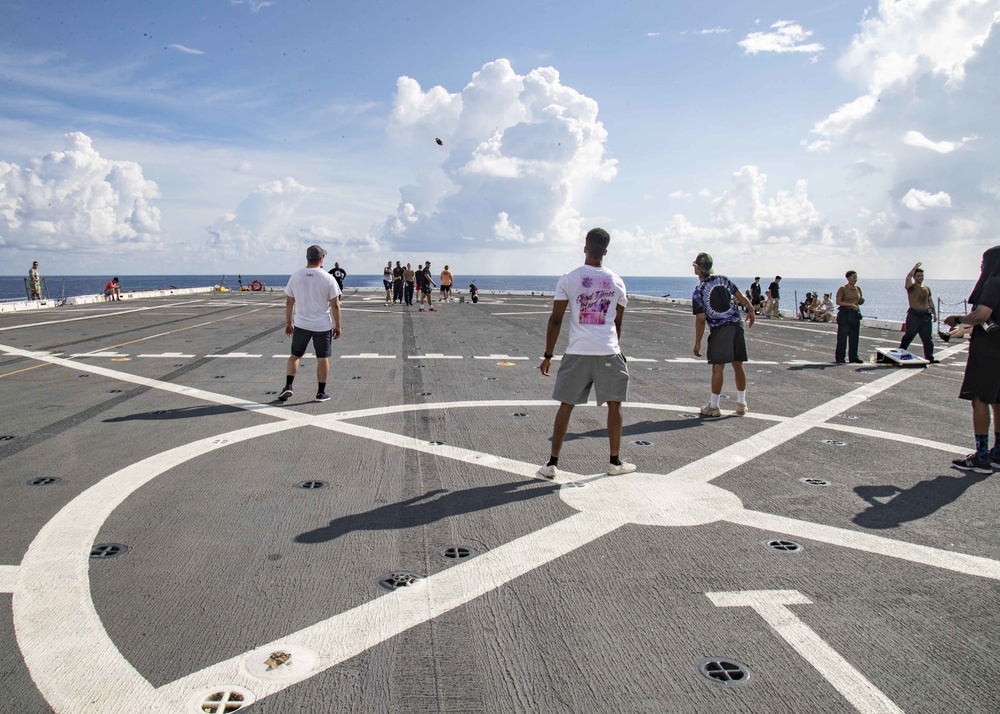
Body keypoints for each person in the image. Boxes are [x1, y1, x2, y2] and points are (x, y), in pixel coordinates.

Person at [538, 228, 635, 479]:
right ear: (605, 251)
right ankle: (614, 462)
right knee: (615, 405)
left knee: (566, 406)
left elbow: (556, 319)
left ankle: (552, 463)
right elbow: (618, 324)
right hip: (608, 351)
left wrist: (548, 354)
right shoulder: (617, 282)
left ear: (584, 248)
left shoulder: (569, 279)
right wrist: (614, 346)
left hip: (577, 352)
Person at [944, 245, 1000, 474]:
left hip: (987, 350)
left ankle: (981, 456)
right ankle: (998, 452)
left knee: (979, 399)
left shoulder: (993, 283)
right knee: (998, 400)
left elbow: (982, 315)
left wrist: (956, 319)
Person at [692, 253, 755, 417]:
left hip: (720, 329)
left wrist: (697, 342)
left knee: (718, 367)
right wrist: (750, 309)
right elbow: (740, 296)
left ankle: (714, 406)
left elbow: (700, 319)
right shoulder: (724, 279)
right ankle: (741, 403)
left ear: (697, 269)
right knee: (738, 365)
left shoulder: (699, 291)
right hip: (736, 325)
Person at [278, 244, 342, 403]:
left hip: (301, 324)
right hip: (322, 325)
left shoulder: (296, 276)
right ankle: (321, 393)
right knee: (322, 358)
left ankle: (288, 386)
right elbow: (335, 304)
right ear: (321, 259)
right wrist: (338, 326)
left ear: (308, 258)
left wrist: (289, 322)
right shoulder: (328, 278)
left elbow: (289, 302)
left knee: (295, 355)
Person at [899, 262, 938, 362]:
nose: (921, 277)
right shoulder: (911, 287)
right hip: (914, 315)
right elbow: (908, 277)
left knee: (928, 339)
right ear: (915, 277)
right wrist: (914, 268)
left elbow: (930, 301)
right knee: (908, 336)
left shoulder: (926, 288)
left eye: (922, 276)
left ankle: (930, 358)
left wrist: (935, 314)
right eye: (919, 276)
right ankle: (899, 354)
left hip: (925, 316)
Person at [835, 270, 864, 364]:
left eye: (856, 277)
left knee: (854, 336)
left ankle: (854, 356)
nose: (855, 279)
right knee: (842, 337)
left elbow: (859, 300)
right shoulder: (843, 288)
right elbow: (838, 302)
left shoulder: (858, 288)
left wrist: (861, 301)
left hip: (855, 314)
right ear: (848, 278)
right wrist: (850, 304)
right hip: (845, 314)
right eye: (853, 277)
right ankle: (840, 357)